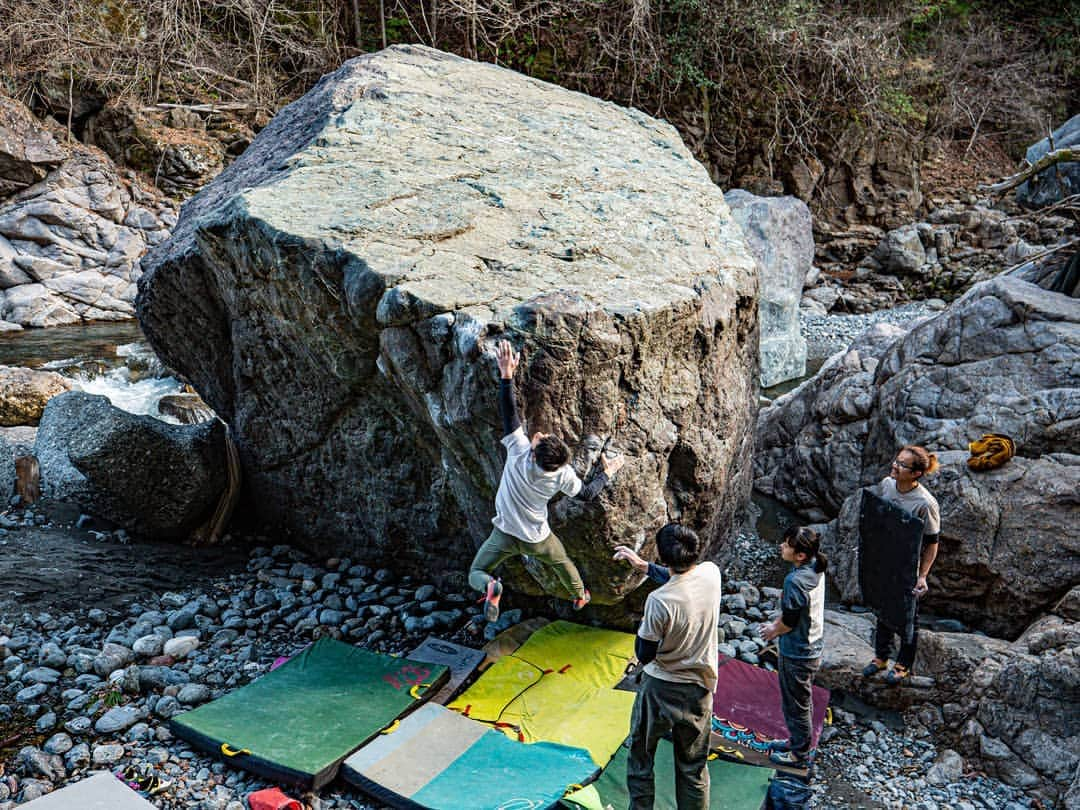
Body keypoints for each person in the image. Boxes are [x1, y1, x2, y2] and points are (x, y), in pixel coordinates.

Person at [469, 339, 624, 622]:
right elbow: (587, 494)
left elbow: (509, 412)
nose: (540, 434)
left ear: (534, 449)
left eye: (542, 438)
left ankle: (490, 587)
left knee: (475, 573)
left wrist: (506, 375)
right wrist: (607, 473)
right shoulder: (561, 475)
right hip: (537, 538)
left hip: (503, 534)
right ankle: (579, 595)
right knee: (562, 562)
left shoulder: (517, 451)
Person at [613, 525, 722, 810]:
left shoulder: (659, 601)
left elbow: (645, 653)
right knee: (692, 765)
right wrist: (643, 566)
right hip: (700, 687)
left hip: (661, 687)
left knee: (641, 756)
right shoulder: (711, 574)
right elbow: (682, 579)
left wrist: (641, 630)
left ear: (663, 556)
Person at [862, 445, 941, 686]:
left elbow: (932, 543)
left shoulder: (925, 504)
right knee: (882, 606)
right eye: (897, 461)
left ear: (916, 473)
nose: (895, 466)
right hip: (884, 558)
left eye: (903, 465)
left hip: (907, 565)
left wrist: (923, 576)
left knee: (908, 617)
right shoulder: (887, 485)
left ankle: (903, 664)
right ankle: (881, 657)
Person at [759, 526, 827, 770]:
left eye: (786, 545)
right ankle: (798, 742)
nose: (781, 546)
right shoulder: (816, 564)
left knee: (795, 703)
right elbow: (793, 613)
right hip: (813, 644)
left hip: (798, 651)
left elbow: (789, 621)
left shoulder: (795, 581)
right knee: (802, 699)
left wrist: (772, 631)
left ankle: (799, 754)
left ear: (800, 555)